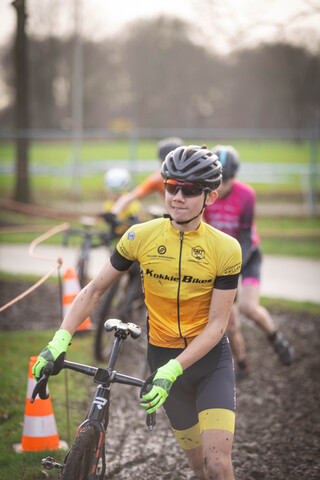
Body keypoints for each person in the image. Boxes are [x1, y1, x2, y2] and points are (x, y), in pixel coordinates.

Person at [33, 145, 242, 480]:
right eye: (170, 186)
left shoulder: (226, 249)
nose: (176, 197)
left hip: (208, 363)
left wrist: (175, 369)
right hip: (160, 358)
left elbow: (218, 326)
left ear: (210, 197)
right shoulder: (140, 236)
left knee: (217, 466)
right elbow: (94, 290)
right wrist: (59, 340)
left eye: (188, 191)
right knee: (199, 468)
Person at [203, 145, 294, 375]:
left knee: (248, 308)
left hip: (247, 254)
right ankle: (242, 362)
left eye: (228, 179)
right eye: (217, 180)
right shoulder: (203, 194)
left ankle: (275, 336)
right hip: (221, 258)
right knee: (230, 324)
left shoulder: (246, 195)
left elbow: (244, 235)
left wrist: (232, 267)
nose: (222, 186)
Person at [110, 137, 183, 216]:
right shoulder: (158, 178)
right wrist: (113, 214)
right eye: (164, 162)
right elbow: (129, 197)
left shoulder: (191, 178)